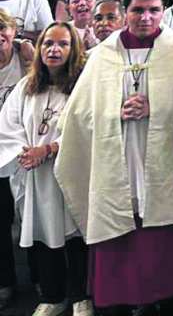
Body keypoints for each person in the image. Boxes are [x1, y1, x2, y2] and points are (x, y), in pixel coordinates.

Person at [55, 0, 173, 315]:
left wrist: (156, 108)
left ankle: (159, 298)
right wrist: (113, 111)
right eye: (137, 10)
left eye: (153, 10)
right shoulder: (103, 54)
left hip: (160, 155)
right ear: (124, 12)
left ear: (163, 12)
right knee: (117, 220)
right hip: (114, 152)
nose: (145, 17)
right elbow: (79, 113)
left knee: (158, 222)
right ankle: (116, 298)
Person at [0, 22, 87, 316]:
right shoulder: (27, 85)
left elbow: (87, 125)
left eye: (63, 44)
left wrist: (49, 149)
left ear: (73, 49)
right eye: (48, 43)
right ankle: (53, 296)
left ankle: (79, 297)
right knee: (40, 234)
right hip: (33, 175)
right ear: (39, 49)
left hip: (71, 173)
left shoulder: (83, 85)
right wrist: (26, 153)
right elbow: (7, 127)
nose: (54, 49)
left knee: (75, 236)